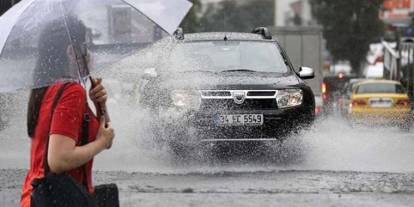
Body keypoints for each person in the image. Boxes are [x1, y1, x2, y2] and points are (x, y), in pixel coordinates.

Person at [20, 17, 115, 207]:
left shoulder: (46, 88)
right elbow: (58, 160)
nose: (90, 54)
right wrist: (101, 143)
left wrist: (100, 106)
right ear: (72, 52)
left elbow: (106, 136)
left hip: (38, 198)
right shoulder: (71, 91)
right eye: (86, 47)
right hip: (60, 200)